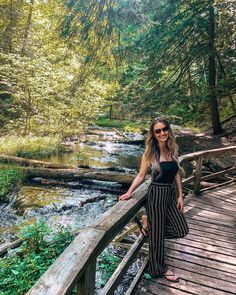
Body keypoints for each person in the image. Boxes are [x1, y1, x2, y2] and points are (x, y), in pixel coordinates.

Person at [119, 117, 189, 282]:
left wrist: (180, 195)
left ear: (168, 130)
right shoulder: (149, 153)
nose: (162, 133)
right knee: (157, 237)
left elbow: (177, 173)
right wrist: (129, 192)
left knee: (182, 229)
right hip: (156, 195)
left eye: (164, 129)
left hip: (170, 195)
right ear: (153, 134)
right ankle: (160, 269)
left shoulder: (172, 148)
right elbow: (141, 175)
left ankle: (148, 226)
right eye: (158, 131)